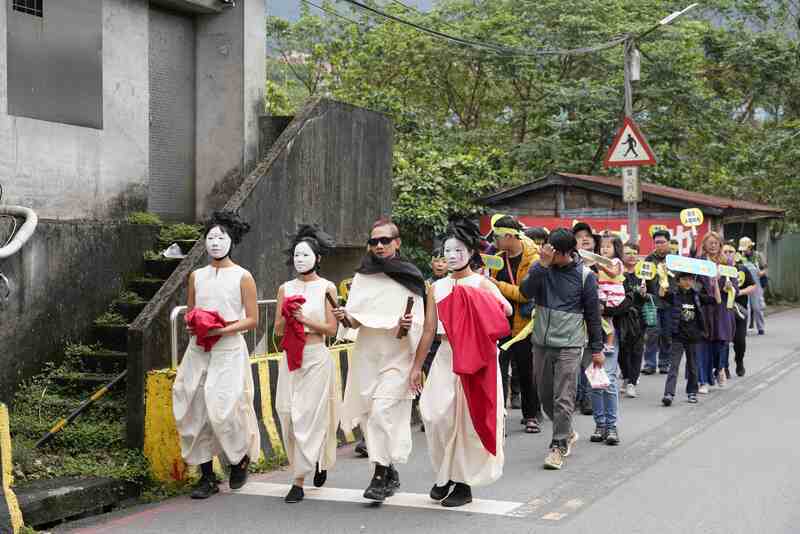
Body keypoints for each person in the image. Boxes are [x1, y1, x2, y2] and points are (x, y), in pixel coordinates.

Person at [411, 219, 512, 507]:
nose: (452, 255)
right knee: (435, 414)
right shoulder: (436, 287)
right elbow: (429, 329)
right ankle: (445, 474)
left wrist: (478, 300)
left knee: (468, 420)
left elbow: (505, 312)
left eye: (458, 250)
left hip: (477, 358)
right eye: (448, 250)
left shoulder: (482, 283)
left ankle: (462, 484)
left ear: (470, 252)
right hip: (446, 355)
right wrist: (417, 367)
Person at [336, 218, 426, 502]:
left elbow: (420, 323)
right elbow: (355, 320)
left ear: (397, 243)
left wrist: (407, 327)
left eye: (384, 240)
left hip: (398, 357)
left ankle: (378, 474)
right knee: (369, 415)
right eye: (373, 241)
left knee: (382, 412)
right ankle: (388, 470)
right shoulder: (363, 277)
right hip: (367, 355)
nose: (378, 246)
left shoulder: (411, 276)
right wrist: (344, 316)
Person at [172, 210, 261, 500]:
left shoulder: (243, 277)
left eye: (221, 237)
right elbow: (190, 312)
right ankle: (207, 476)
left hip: (228, 349)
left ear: (231, 241)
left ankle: (239, 458)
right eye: (210, 237)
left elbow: (252, 319)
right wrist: (193, 324)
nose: (215, 242)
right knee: (193, 406)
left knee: (223, 409)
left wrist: (221, 330)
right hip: (198, 348)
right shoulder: (196, 276)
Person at [520, 228, 603, 470]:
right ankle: (567, 432)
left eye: (551, 250)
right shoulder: (541, 268)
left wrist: (597, 348)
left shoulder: (585, 276)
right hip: (541, 343)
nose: (545, 252)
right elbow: (525, 292)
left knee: (563, 397)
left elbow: (593, 315)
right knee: (544, 395)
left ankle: (558, 446)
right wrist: (541, 266)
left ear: (565, 253)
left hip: (570, 344)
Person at [275, 225, 341, 503]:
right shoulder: (285, 288)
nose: (300, 259)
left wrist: (304, 319)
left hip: (315, 356)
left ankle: (298, 480)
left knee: (309, 416)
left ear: (318, 258)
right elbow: (277, 329)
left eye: (306, 255)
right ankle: (312, 460)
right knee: (288, 413)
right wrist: (288, 316)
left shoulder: (327, 287)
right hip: (291, 357)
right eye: (297, 255)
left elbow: (331, 329)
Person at [487, 215, 542, 434]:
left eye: (497, 237)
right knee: (498, 371)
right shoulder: (496, 259)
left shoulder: (533, 261)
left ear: (510, 236)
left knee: (527, 370)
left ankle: (531, 415)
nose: (495, 241)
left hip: (525, 325)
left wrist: (497, 285)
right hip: (500, 323)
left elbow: (525, 294)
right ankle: (498, 416)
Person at [661, 271, 717, 406]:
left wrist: (715, 284)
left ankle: (692, 392)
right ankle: (669, 394)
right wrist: (663, 277)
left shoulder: (697, 296)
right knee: (674, 366)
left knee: (693, 366)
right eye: (684, 279)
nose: (687, 282)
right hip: (677, 336)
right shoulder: (674, 295)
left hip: (694, 337)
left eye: (690, 279)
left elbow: (716, 300)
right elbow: (662, 294)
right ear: (679, 281)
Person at [590, 232, 625, 446]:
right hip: (591, 328)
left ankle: (611, 425)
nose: (604, 250)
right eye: (602, 247)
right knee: (596, 382)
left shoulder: (615, 263)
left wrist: (600, 264)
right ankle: (600, 423)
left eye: (608, 247)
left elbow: (612, 272)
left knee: (609, 381)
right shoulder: (589, 267)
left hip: (612, 301)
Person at [694, 232, 738, 392]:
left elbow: (736, 286)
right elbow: (694, 284)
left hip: (722, 308)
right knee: (703, 345)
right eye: (710, 243)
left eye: (716, 243)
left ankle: (720, 368)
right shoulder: (699, 262)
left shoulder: (728, 262)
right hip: (705, 308)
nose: (713, 245)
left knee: (721, 343)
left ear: (720, 245)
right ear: (704, 245)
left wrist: (729, 287)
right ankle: (703, 381)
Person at [572, 222, 598, 416]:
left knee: (591, 359)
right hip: (574, 321)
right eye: (580, 236)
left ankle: (588, 398)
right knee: (574, 362)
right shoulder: (569, 265)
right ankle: (575, 396)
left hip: (598, 320)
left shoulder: (604, 264)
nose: (585, 239)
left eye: (588, 235)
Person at [642, 229, 674, 375]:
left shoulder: (675, 260)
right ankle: (649, 364)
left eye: (662, 242)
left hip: (670, 302)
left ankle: (664, 363)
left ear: (669, 242)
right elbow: (643, 278)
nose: (659, 245)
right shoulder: (649, 259)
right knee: (652, 334)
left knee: (667, 334)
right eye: (656, 242)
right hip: (653, 302)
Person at [619, 242, 646, 398]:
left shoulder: (644, 274)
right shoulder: (617, 271)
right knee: (622, 352)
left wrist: (644, 294)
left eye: (635, 253)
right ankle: (626, 375)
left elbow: (655, 294)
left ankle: (632, 383)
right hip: (621, 317)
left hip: (639, 318)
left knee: (637, 351)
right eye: (628, 253)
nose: (632, 256)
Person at [727, 243, 757, 376]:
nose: (728, 254)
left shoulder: (742, 269)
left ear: (736, 254)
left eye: (731, 251)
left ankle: (739, 361)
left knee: (739, 340)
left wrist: (740, 292)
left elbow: (753, 286)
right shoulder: (717, 269)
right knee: (723, 341)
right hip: (723, 310)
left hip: (740, 310)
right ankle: (723, 367)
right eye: (725, 251)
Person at [739, 237, 766, 335]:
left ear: (750, 247)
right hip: (745, 284)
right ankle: (744, 329)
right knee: (746, 307)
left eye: (745, 249)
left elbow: (765, 269)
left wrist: (761, 273)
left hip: (757, 285)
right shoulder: (740, 258)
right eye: (742, 249)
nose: (743, 251)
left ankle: (760, 327)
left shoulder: (758, 256)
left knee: (757, 307)